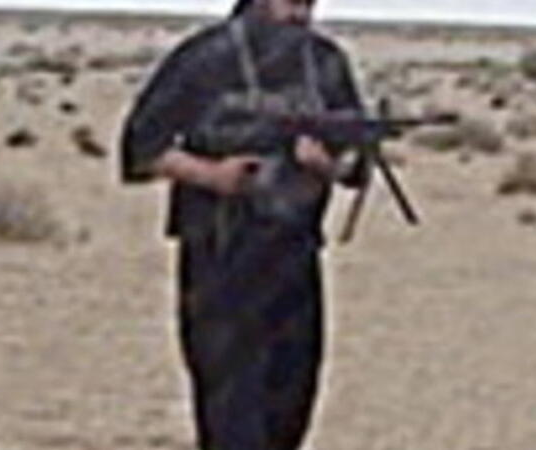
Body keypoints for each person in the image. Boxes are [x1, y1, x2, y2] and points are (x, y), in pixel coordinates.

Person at [119, 0, 367, 448]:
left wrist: (326, 164)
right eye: (292, 2)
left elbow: (357, 159)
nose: (301, 14)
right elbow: (142, 147)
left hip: (294, 254)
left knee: (289, 403)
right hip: (219, 254)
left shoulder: (325, 62)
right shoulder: (205, 56)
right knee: (230, 404)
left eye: (309, 4)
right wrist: (213, 175)